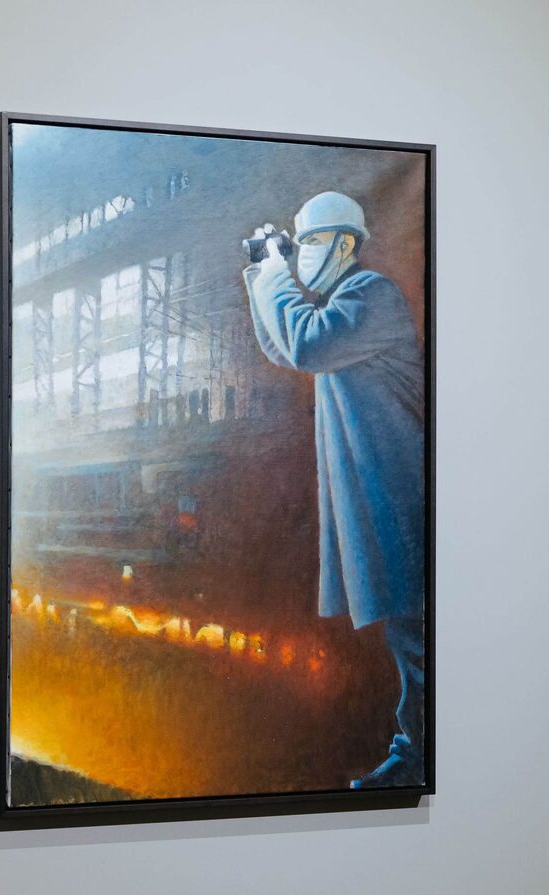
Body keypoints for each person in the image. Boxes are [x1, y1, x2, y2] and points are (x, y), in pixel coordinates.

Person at [242, 191, 427, 789]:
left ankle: (417, 758)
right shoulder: (341, 306)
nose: (302, 256)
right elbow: (284, 346)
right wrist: (263, 273)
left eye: (311, 243)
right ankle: (415, 754)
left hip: (403, 494)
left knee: (416, 632)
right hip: (380, 491)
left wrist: (276, 272)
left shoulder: (371, 295)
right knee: (408, 631)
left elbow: (307, 343)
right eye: (297, 247)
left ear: (346, 244)